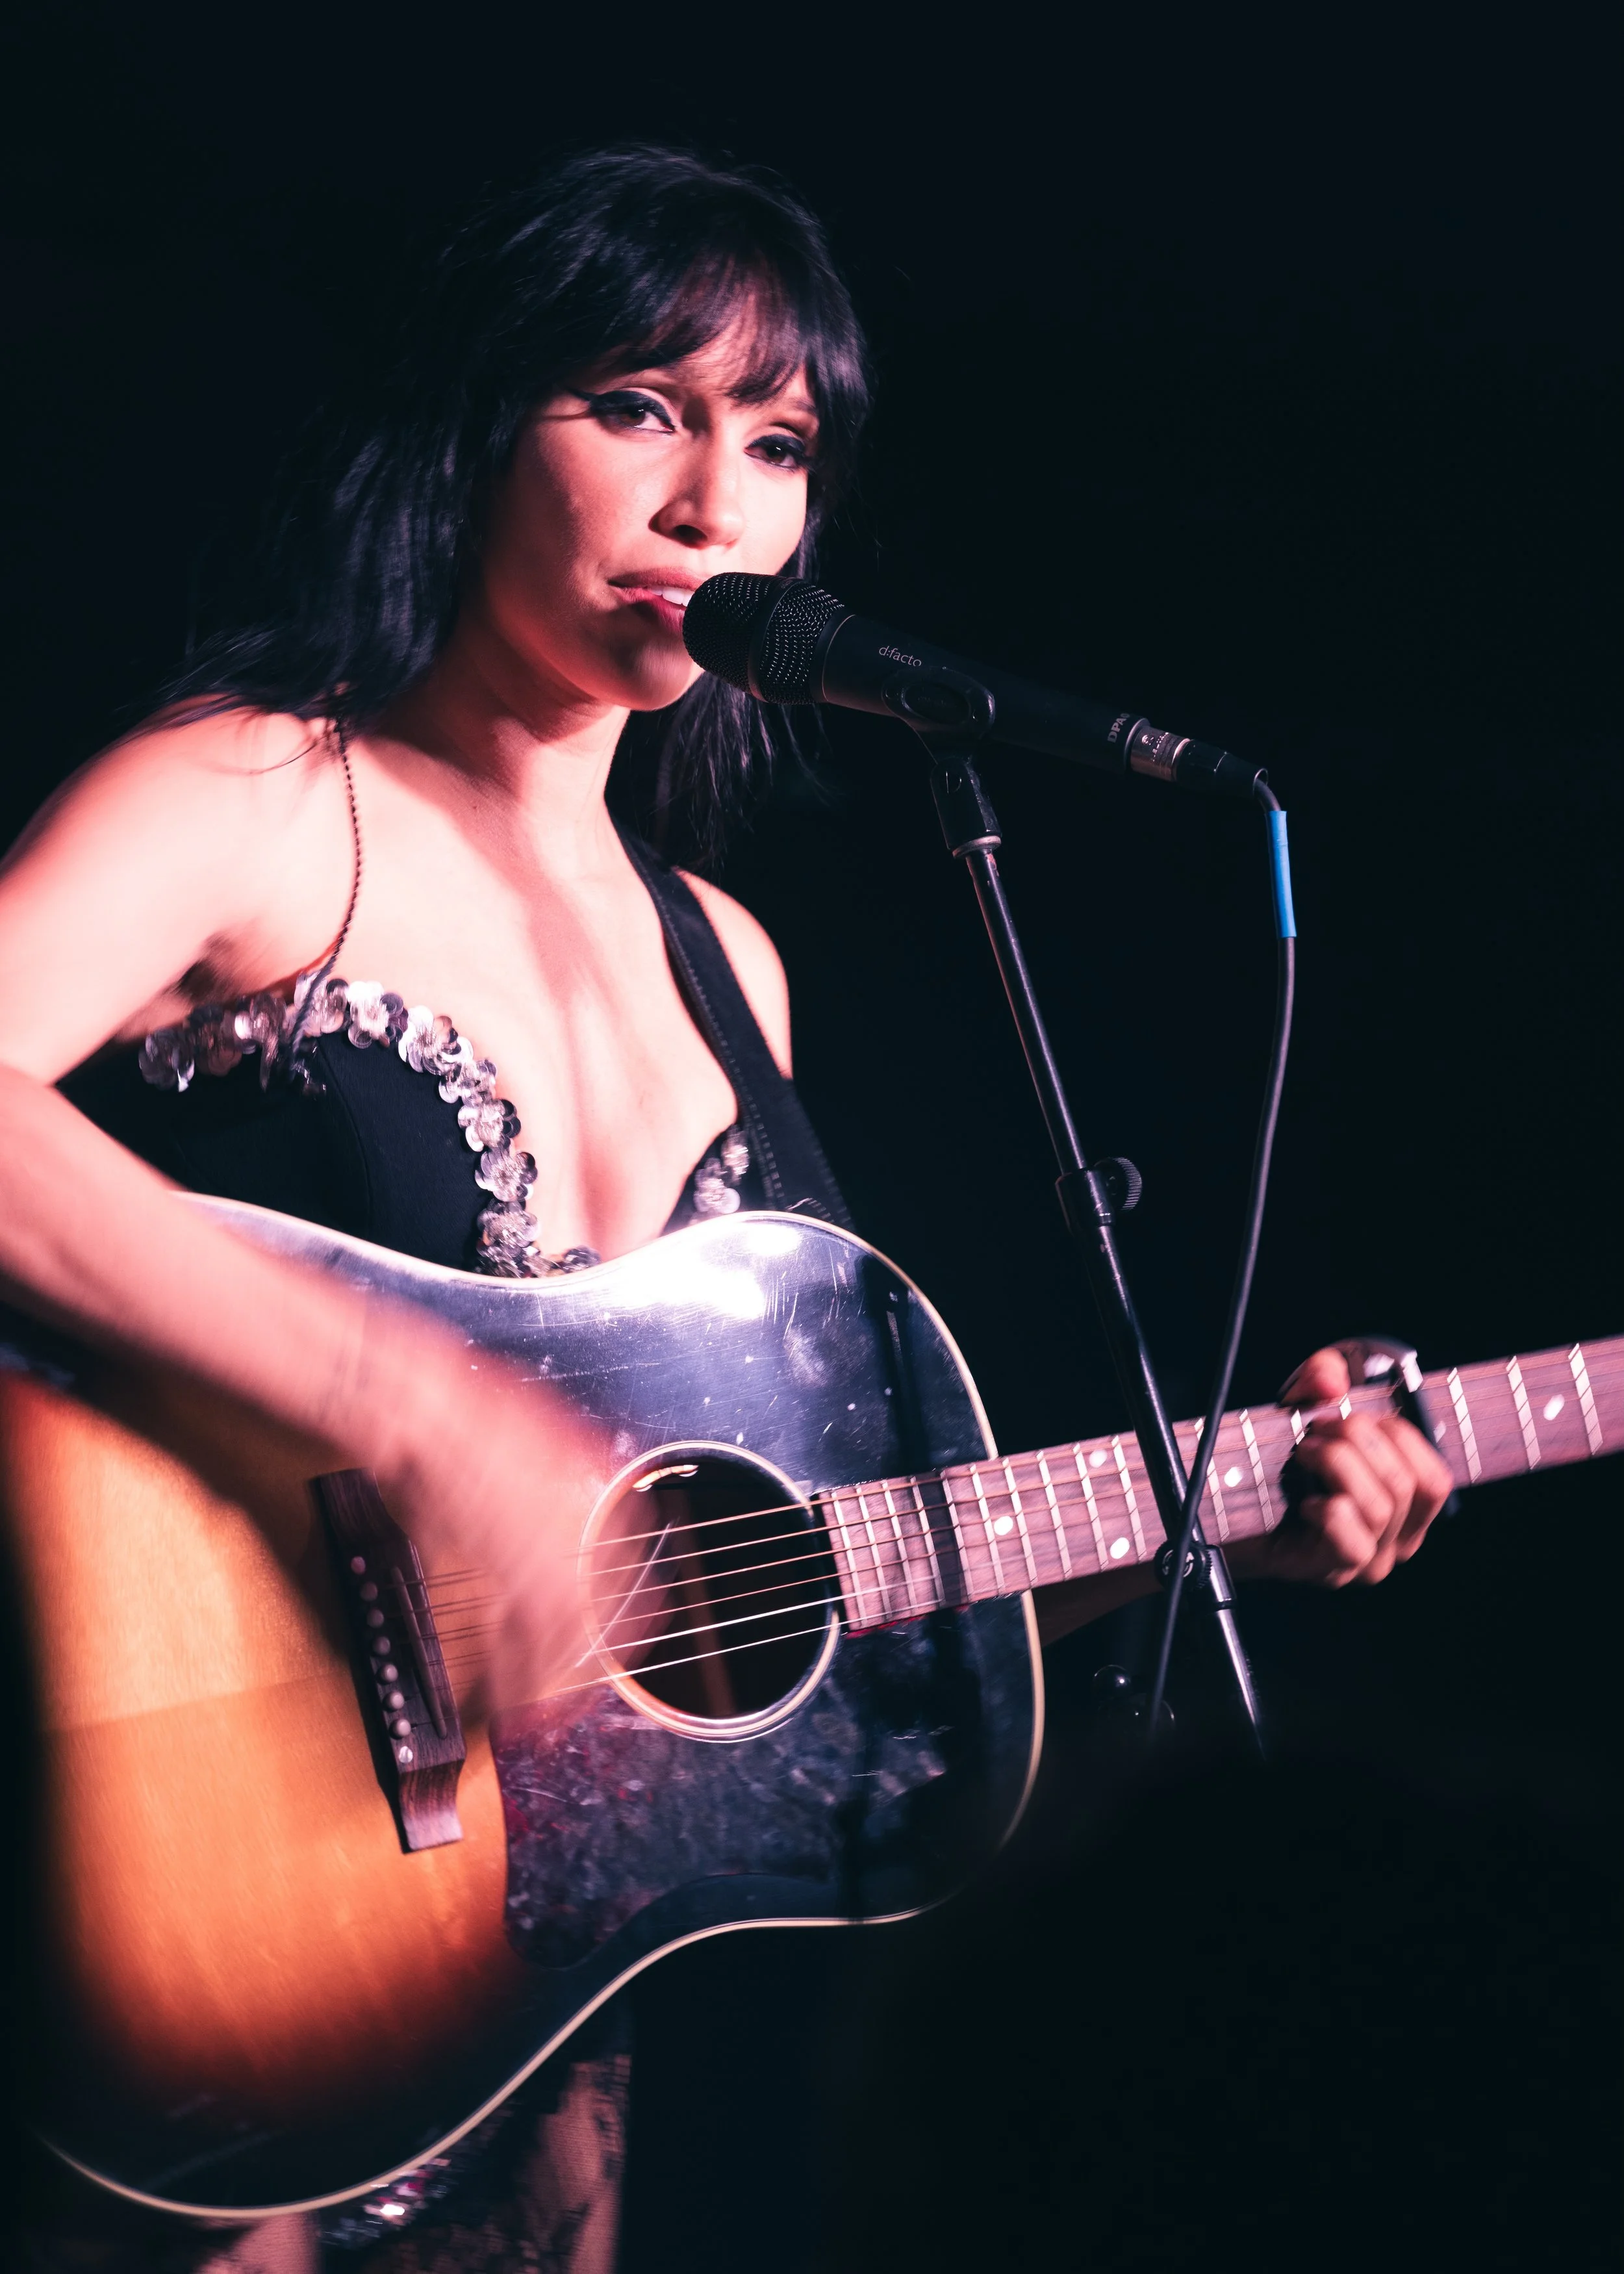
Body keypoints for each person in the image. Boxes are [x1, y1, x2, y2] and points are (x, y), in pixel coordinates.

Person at [0, 147, 1453, 2272]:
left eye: (774, 443)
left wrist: (1223, 1512)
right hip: (193, 1861)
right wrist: (414, 1411)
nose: (714, 505)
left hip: (525, 2001)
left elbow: (772, 1597)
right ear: (474, 426)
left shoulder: (726, 962)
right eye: (638, 407)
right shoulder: (254, 794)